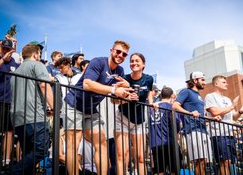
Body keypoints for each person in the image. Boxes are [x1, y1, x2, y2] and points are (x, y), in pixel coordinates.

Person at [64, 40, 131, 175]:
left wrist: (125, 98)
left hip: (91, 109)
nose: (120, 55)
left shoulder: (120, 71)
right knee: (73, 144)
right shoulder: (98, 62)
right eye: (118, 51)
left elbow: (114, 100)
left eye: (124, 54)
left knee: (102, 144)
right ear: (111, 51)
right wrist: (113, 89)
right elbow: (87, 85)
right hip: (74, 104)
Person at [10, 44, 54, 175]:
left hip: (18, 119)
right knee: (42, 151)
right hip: (34, 117)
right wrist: (55, 108)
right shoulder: (38, 65)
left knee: (29, 154)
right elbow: (44, 86)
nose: (39, 57)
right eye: (39, 55)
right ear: (35, 55)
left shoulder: (15, 72)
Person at [173, 71, 220, 175]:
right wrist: (189, 113)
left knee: (204, 161)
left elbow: (200, 116)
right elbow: (175, 106)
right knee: (200, 161)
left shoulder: (199, 96)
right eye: (202, 80)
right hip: (193, 130)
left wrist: (212, 118)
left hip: (203, 130)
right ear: (195, 80)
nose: (204, 82)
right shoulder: (186, 91)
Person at [115, 53, 154, 175]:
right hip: (123, 118)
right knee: (122, 154)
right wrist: (126, 98)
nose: (134, 63)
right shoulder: (124, 78)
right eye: (131, 61)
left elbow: (149, 92)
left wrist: (151, 103)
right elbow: (114, 100)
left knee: (141, 157)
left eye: (137, 61)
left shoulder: (149, 79)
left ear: (143, 64)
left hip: (139, 121)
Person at [205, 75, 243, 175]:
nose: (227, 84)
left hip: (230, 134)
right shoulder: (210, 96)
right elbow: (215, 112)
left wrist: (241, 111)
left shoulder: (228, 99)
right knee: (224, 162)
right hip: (218, 134)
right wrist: (232, 106)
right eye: (224, 82)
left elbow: (233, 117)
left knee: (229, 162)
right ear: (216, 84)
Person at [0, 39, 19, 169]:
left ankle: (6, 161)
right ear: (0, 48)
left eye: (8, 49)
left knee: (9, 132)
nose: (5, 51)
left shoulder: (16, 65)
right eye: (3, 48)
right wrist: (2, 59)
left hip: (10, 103)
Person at [150, 86, 181, 175]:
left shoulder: (152, 107)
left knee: (159, 170)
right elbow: (176, 124)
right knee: (174, 169)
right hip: (169, 142)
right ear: (172, 96)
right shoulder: (171, 107)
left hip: (155, 143)